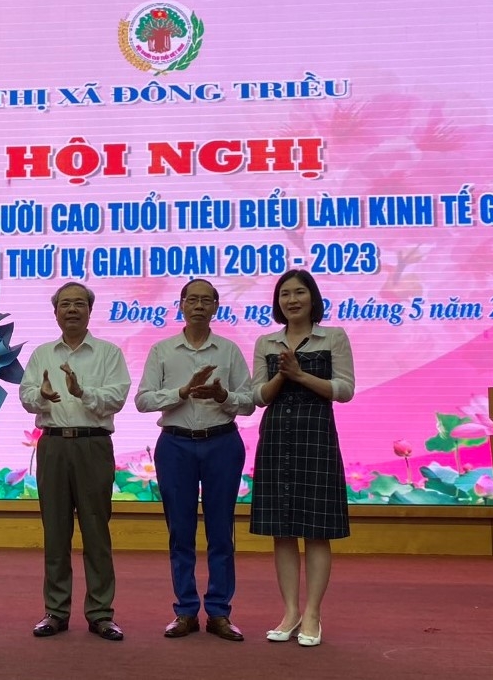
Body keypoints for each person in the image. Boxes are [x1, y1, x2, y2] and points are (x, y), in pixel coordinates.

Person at [135, 279, 254, 642]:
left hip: (222, 444)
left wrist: (223, 396)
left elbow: (249, 402)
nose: (199, 306)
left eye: (206, 300)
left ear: (216, 307)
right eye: (192, 300)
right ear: (181, 305)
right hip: (176, 445)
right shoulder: (163, 350)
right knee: (180, 531)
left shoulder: (229, 350)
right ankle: (185, 610)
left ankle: (219, 612)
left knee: (221, 532)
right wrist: (183, 392)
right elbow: (143, 400)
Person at [19, 282, 131, 641]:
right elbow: (26, 395)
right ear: (55, 313)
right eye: (65, 304)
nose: (71, 310)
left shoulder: (109, 353)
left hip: (93, 444)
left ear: (89, 310)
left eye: (79, 304)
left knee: (96, 532)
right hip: (53, 445)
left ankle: (101, 613)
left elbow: (117, 397)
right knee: (55, 532)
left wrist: (82, 392)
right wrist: (42, 395)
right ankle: (55, 611)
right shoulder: (42, 354)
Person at [249, 269, 355, 647]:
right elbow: (258, 396)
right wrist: (282, 376)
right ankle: (290, 611)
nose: (292, 300)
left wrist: (301, 375)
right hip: (276, 436)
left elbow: (345, 389)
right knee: (282, 530)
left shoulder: (333, 337)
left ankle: (312, 613)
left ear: (313, 298)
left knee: (316, 530)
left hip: (317, 436)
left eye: (299, 293)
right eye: (284, 294)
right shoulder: (266, 342)